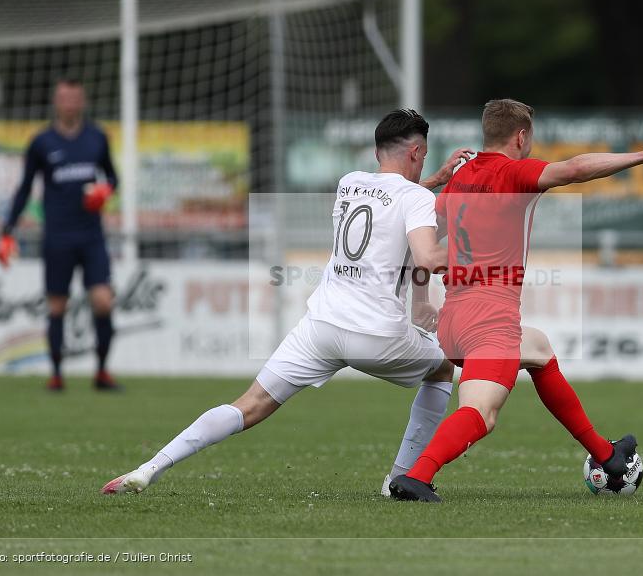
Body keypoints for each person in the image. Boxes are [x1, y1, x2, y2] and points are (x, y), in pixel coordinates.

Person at [100, 109, 472, 495]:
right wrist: (487, 254)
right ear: (415, 152)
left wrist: (433, 181)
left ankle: (150, 467)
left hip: (321, 328)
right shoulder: (415, 197)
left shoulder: (351, 183)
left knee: (251, 404)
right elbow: (428, 257)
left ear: (378, 151)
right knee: (442, 368)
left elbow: (393, 199)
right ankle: (400, 478)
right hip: (377, 334)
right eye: (424, 156)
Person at [390, 99, 643, 502]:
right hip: (490, 320)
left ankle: (607, 456)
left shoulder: (461, 177)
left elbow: (423, 240)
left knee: (539, 349)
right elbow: (576, 169)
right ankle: (417, 476)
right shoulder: (514, 171)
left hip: (454, 317)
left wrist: (421, 301)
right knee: (482, 412)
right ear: (522, 136)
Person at [0, 78, 120, 391]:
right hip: (57, 236)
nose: (70, 104)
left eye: (75, 98)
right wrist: (8, 230)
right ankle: (56, 374)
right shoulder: (42, 142)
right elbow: (25, 188)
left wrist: (105, 190)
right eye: (64, 98)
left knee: (103, 302)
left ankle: (102, 372)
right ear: (56, 102)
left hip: (92, 235)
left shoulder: (97, 137)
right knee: (57, 306)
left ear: (82, 101)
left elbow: (113, 176)